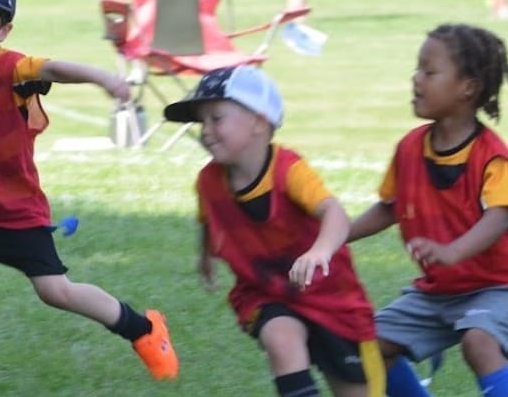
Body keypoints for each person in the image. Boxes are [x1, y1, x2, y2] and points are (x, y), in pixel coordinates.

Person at [0, 0, 178, 381]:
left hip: (13, 211)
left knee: (55, 291)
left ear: (4, 30)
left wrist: (103, 77)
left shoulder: (14, 69)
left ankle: (144, 330)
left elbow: (54, 70)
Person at [347, 23, 508, 397]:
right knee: (369, 347)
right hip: (440, 288)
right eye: (416, 69)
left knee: (479, 343)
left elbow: (498, 217)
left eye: (429, 71)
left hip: (497, 285)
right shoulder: (409, 148)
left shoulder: (492, 157)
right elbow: (390, 207)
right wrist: (338, 234)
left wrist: (451, 251)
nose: (416, 79)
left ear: (467, 87)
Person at [164, 65, 385, 397]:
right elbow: (207, 221)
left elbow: (334, 213)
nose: (205, 131)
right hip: (264, 292)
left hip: (333, 300)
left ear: (259, 121)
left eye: (216, 118)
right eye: (201, 121)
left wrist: (320, 251)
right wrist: (205, 256)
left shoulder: (289, 170)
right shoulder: (207, 181)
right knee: (280, 337)